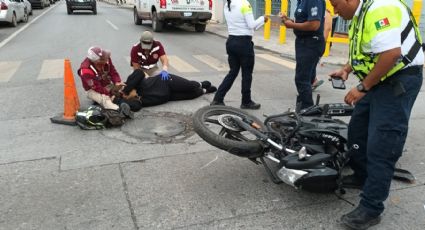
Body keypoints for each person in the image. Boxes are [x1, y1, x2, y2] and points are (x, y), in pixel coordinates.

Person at [328, 0, 424, 229]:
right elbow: (368, 50)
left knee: (382, 142)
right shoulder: (360, 14)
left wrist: (362, 87)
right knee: (357, 131)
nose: (335, 10)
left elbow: (390, 54)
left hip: (398, 79)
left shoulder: (381, 7)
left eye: (336, 4)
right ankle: (363, 176)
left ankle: (371, 208)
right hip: (379, 79)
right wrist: (346, 69)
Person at [210, 0, 268, 110]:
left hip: (231, 41)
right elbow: (251, 25)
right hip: (244, 43)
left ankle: (218, 98)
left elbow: (249, 26)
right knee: (247, 74)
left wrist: (262, 21)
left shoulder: (228, 4)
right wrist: (262, 18)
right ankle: (246, 101)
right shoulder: (244, 4)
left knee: (233, 72)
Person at [279, 0, 326, 111]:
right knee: (305, 80)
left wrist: (292, 25)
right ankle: (302, 110)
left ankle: (307, 111)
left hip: (311, 43)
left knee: (301, 79)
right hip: (304, 43)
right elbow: (303, 21)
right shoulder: (302, 1)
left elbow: (314, 25)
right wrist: (288, 20)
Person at [119, 69, 217, 110]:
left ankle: (200, 84)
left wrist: (126, 90)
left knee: (190, 86)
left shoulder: (132, 83)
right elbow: (135, 107)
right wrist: (126, 100)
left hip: (165, 79)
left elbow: (139, 72)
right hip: (168, 96)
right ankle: (205, 90)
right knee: (192, 95)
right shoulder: (137, 102)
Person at [78, 46, 133, 118]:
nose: (106, 60)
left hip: (106, 84)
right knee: (105, 99)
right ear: (96, 61)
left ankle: (117, 102)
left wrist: (117, 82)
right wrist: (110, 93)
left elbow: (113, 72)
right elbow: (97, 88)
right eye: (103, 59)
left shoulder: (105, 57)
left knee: (121, 91)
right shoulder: (86, 70)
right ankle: (118, 110)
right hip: (92, 90)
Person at [312, 9, 333, 91]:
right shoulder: (320, 12)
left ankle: (312, 81)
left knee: (312, 63)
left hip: (318, 43)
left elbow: (327, 29)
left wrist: (321, 42)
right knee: (312, 63)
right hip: (316, 42)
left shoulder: (326, 14)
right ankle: (313, 80)